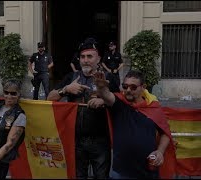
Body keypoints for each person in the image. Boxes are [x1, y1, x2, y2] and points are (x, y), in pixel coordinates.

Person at [47, 38, 111, 179]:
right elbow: (50, 98)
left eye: (89, 56)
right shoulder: (71, 77)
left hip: (100, 140)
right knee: (77, 176)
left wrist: (103, 99)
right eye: (82, 57)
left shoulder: (109, 78)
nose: (85, 60)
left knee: (101, 176)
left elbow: (120, 101)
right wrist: (66, 89)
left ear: (98, 58)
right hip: (76, 140)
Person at [94, 70, 176, 179]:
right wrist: (101, 87)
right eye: (125, 86)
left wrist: (160, 151)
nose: (128, 90)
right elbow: (106, 95)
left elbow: (165, 132)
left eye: (133, 87)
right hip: (121, 172)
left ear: (143, 87)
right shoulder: (119, 103)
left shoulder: (153, 107)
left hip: (148, 172)